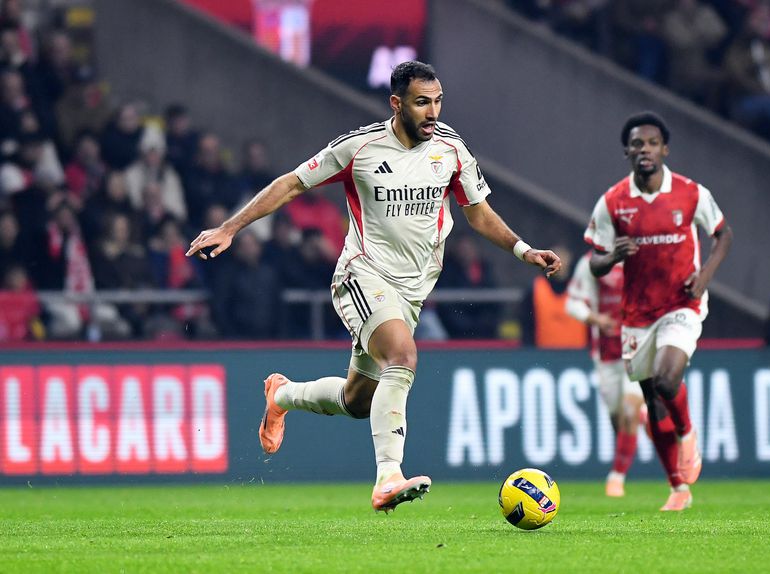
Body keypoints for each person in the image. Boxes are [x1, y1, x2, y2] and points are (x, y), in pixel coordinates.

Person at [186, 61, 561, 512]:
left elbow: (478, 213)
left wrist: (524, 250)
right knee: (402, 357)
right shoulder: (359, 148)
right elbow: (291, 184)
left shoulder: (451, 149)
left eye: (438, 101)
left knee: (359, 400)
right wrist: (230, 228)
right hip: (362, 276)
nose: (433, 112)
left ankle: (281, 395)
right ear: (396, 104)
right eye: (422, 102)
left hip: (411, 293)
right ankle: (388, 478)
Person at [584, 111, 733, 511]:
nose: (644, 150)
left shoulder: (690, 192)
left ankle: (687, 432)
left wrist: (704, 276)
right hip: (637, 314)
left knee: (668, 381)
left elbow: (723, 234)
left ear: (665, 149)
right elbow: (595, 263)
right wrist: (611, 256)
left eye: (652, 143)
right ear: (627, 152)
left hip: (682, 302)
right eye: (637, 144)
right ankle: (677, 487)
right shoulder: (613, 201)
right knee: (653, 402)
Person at [566, 251, 644, 497]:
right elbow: (572, 303)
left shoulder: (643, 256)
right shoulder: (590, 262)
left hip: (638, 347)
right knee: (617, 419)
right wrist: (595, 319)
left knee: (629, 413)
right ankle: (646, 418)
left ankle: (616, 477)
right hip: (607, 354)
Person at [520, 243, 587, 348]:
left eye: (563, 256)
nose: (559, 261)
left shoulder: (582, 289)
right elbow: (526, 327)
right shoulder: (534, 289)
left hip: (579, 354)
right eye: (555, 255)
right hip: (542, 355)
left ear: (570, 258)